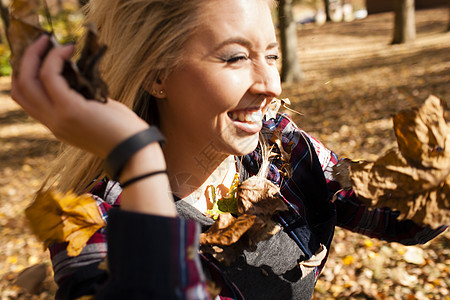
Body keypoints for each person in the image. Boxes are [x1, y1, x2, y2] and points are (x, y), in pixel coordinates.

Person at [11, 0, 446, 299]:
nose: (272, 85)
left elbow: (403, 221)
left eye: (271, 56)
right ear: (158, 75)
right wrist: (137, 156)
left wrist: (434, 177)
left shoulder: (282, 151)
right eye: (236, 58)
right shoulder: (94, 227)